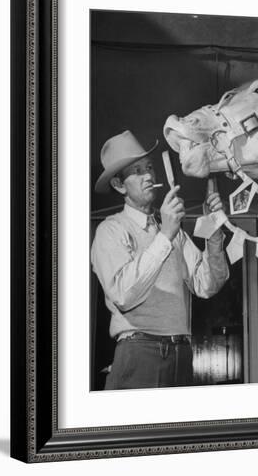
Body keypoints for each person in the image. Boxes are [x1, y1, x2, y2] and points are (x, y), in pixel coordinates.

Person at [91, 130, 229, 390]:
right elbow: (123, 294)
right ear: (119, 185)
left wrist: (212, 229)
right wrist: (165, 234)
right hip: (140, 352)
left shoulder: (170, 229)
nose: (148, 176)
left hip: (183, 353)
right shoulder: (111, 230)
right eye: (137, 171)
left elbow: (208, 285)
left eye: (149, 168)